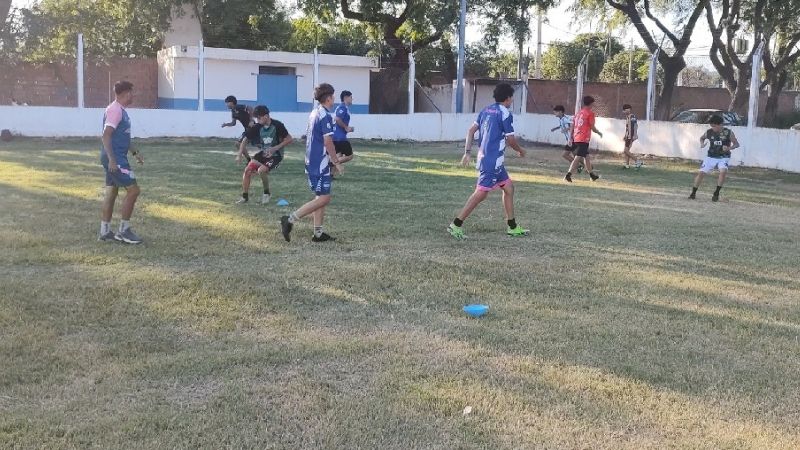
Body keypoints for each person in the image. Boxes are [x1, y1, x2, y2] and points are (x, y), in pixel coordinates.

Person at [448, 83, 529, 240]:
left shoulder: (486, 110)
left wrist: (467, 152)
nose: (512, 100)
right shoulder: (505, 113)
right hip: (491, 161)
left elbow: (471, 131)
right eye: (511, 97)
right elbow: (510, 139)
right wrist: (520, 150)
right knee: (481, 194)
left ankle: (512, 226)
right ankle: (456, 224)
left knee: (509, 188)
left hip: (492, 160)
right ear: (508, 98)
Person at [280, 83, 344, 243]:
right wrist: (336, 161)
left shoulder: (314, 113)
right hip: (319, 162)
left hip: (311, 160)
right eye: (333, 96)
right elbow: (328, 141)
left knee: (320, 196)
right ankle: (289, 219)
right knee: (325, 198)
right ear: (328, 98)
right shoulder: (325, 116)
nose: (334, 98)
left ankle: (318, 233)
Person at [99, 80, 144, 244]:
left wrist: (135, 152)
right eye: (132, 92)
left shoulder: (120, 110)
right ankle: (123, 231)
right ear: (126, 93)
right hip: (115, 159)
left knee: (111, 193)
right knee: (133, 191)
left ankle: (104, 231)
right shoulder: (115, 110)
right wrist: (112, 160)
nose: (134, 95)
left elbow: (123, 136)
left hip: (117, 157)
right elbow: (106, 135)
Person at [235, 105, 293, 204]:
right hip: (263, 154)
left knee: (261, 170)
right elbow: (245, 140)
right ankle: (245, 197)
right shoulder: (257, 127)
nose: (257, 120)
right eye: (256, 118)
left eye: (259, 117)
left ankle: (267, 193)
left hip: (276, 155)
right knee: (247, 170)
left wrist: (275, 148)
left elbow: (289, 139)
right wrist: (239, 154)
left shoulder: (277, 125)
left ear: (266, 116)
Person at [689, 114, 739, 202]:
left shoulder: (728, 132)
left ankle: (716, 193)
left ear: (720, 125)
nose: (713, 128)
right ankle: (693, 193)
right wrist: (702, 144)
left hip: (723, 156)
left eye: (714, 126)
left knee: (723, 172)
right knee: (701, 173)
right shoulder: (709, 132)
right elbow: (702, 138)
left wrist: (729, 148)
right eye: (711, 126)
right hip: (711, 156)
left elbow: (736, 144)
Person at [564, 96, 603, 183]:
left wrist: (570, 137)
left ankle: (592, 175)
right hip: (584, 138)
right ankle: (568, 175)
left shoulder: (579, 113)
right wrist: (599, 132)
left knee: (587, 157)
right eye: (593, 103)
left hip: (576, 137)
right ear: (591, 103)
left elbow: (573, 125)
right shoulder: (590, 113)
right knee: (578, 158)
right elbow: (592, 127)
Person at [551, 105, 581, 172]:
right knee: (576, 155)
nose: (554, 113)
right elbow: (562, 125)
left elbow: (572, 126)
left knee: (565, 155)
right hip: (570, 139)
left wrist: (566, 130)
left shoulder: (566, 118)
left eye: (556, 112)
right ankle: (586, 166)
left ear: (561, 112)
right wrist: (555, 128)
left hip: (572, 139)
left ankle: (579, 166)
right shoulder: (561, 119)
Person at [332, 90, 355, 168]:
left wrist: (348, 128)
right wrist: (346, 127)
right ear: (346, 98)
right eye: (351, 97)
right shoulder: (342, 107)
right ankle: (331, 163)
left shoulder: (341, 107)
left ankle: (331, 174)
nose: (352, 99)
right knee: (350, 156)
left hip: (335, 136)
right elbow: (337, 118)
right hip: (340, 138)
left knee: (339, 155)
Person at [621, 104, 641, 169]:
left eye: (628, 109)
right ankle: (627, 165)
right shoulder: (628, 117)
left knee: (625, 150)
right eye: (625, 109)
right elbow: (627, 128)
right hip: (628, 136)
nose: (626, 110)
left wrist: (635, 135)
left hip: (631, 136)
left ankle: (637, 160)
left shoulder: (632, 116)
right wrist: (625, 135)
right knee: (627, 150)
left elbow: (635, 126)